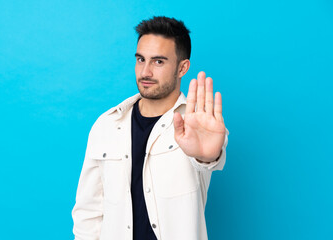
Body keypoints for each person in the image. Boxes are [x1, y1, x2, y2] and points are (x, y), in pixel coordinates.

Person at [72, 16, 229, 240]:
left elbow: (209, 158)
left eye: (158, 62)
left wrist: (208, 157)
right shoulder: (106, 125)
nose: (145, 72)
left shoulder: (200, 124)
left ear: (182, 67)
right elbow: (89, 212)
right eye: (140, 59)